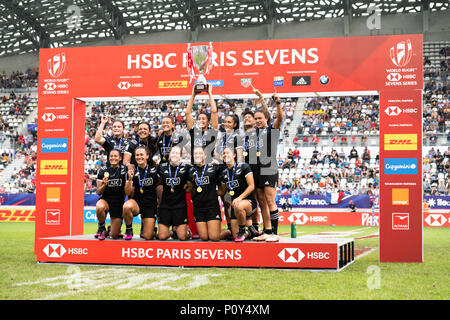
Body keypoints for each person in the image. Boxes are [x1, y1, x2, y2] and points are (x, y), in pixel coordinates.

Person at [251, 90, 283, 242]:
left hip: (269, 167)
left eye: (260, 119)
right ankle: (267, 230)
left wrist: (277, 103)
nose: (257, 121)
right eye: (255, 118)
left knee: (270, 200)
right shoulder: (254, 133)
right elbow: (264, 112)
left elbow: (279, 118)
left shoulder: (272, 130)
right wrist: (261, 98)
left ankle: (275, 233)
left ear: (266, 119)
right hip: (256, 168)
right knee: (261, 201)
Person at [217, 147, 257, 242]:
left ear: (234, 155)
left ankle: (243, 230)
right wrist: (206, 190)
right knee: (236, 236)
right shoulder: (224, 173)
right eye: (223, 153)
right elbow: (222, 192)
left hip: (249, 203)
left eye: (227, 153)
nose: (225, 155)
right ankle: (249, 232)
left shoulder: (244, 166)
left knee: (238, 205)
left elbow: (251, 186)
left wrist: (239, 198)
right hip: (235, 207)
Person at [157, 145, 194, 240]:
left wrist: (188, 185)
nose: (174, 155)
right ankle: (173, 232)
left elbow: (193, 180)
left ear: (181, 155)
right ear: (169, 155)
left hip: (180, 205)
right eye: (172, 152)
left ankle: (187, 232)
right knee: (162, 236)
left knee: (182, 237)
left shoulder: (186, 167)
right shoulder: (161, 167)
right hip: (166, 205)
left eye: (177, 153)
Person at [122, 146, 160, 240]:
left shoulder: (155, 170)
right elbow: (127, 192)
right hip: (137, 203)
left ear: (147, 156)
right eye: (137, 155)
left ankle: (151, 230)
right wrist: (130, 179)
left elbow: (160, 185)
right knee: (127, 206)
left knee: (148, 236)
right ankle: (129, 229)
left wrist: (160, 202)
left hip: (150, 205)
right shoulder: (131, 171)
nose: (139, 157)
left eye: (141, 155)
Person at [188, 147, 222, 241]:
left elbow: (226, 173)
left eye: (200, 153)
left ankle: (228, 232)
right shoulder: (190, 171)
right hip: (198, 207)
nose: (198, 155)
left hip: (212, 206)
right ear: (193, 156)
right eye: (195, 154)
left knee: (214, 237)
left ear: (205, 155)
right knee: (204, 237)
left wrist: (219, 163)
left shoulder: (214, 167)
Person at [94, 149, 127, 240]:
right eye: (111, 156)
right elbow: (99, 192)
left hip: (118, 203)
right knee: (99, 207)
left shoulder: (125, 170)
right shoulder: (103, 170)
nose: (113, 158)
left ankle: (110, 230)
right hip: (106, 200)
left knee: (114, 235)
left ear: (120, 158)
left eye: (115, 156)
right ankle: (101, 227)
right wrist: (104, 184)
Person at [186, 84, 218, 164]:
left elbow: (214, 112)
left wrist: (209, 93)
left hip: (209, 166)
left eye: (203, 119)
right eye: (199, 119)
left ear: (208, 121)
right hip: (195, 166)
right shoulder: (194, 131)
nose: (200, 120)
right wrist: (193, 94)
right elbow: (188, 113)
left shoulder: (212, 132)